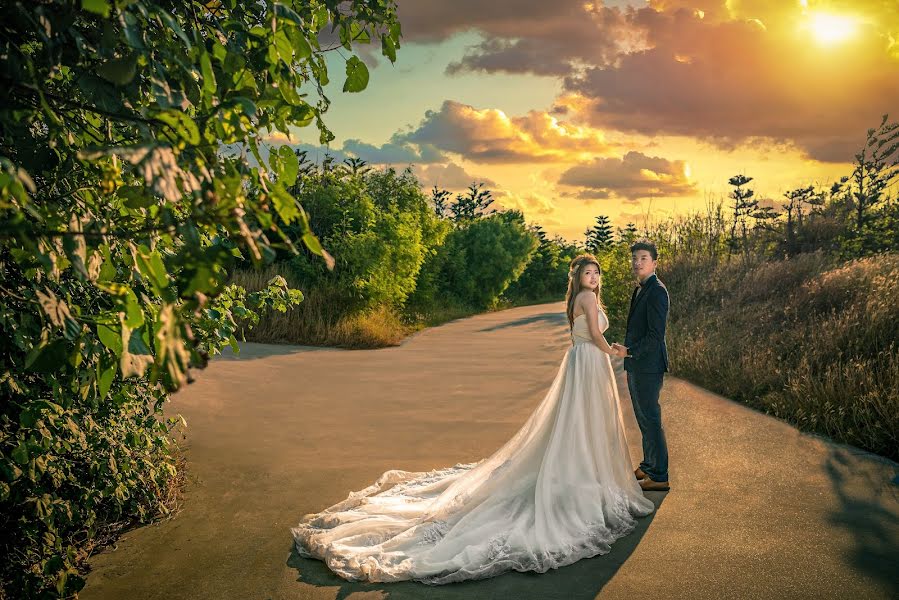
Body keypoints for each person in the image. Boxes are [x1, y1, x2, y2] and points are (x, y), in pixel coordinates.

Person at [291, 254, 654, 584]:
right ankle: (584, 476)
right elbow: (593, 334)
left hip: (582, 363)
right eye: (588, 273)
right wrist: (615, 350)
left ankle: (579, 472)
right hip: (590, 360)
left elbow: (584, 334)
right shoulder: (587, 299)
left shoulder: (578, 299)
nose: (594, 278)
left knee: (578, 424)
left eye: (596, 274)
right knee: (584, 424)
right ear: (579, 279)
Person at [612, 240, 671, 492]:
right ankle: (648, 465)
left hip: (648, 365)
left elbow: (655, 335)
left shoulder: (657, 290)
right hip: (637, 365)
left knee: (651, 419)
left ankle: (659, 476)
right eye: (635, 258)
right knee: (643, 419)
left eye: (643, 258)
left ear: (655, 263)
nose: (637, 262)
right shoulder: (641, 289)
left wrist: (631, 352)